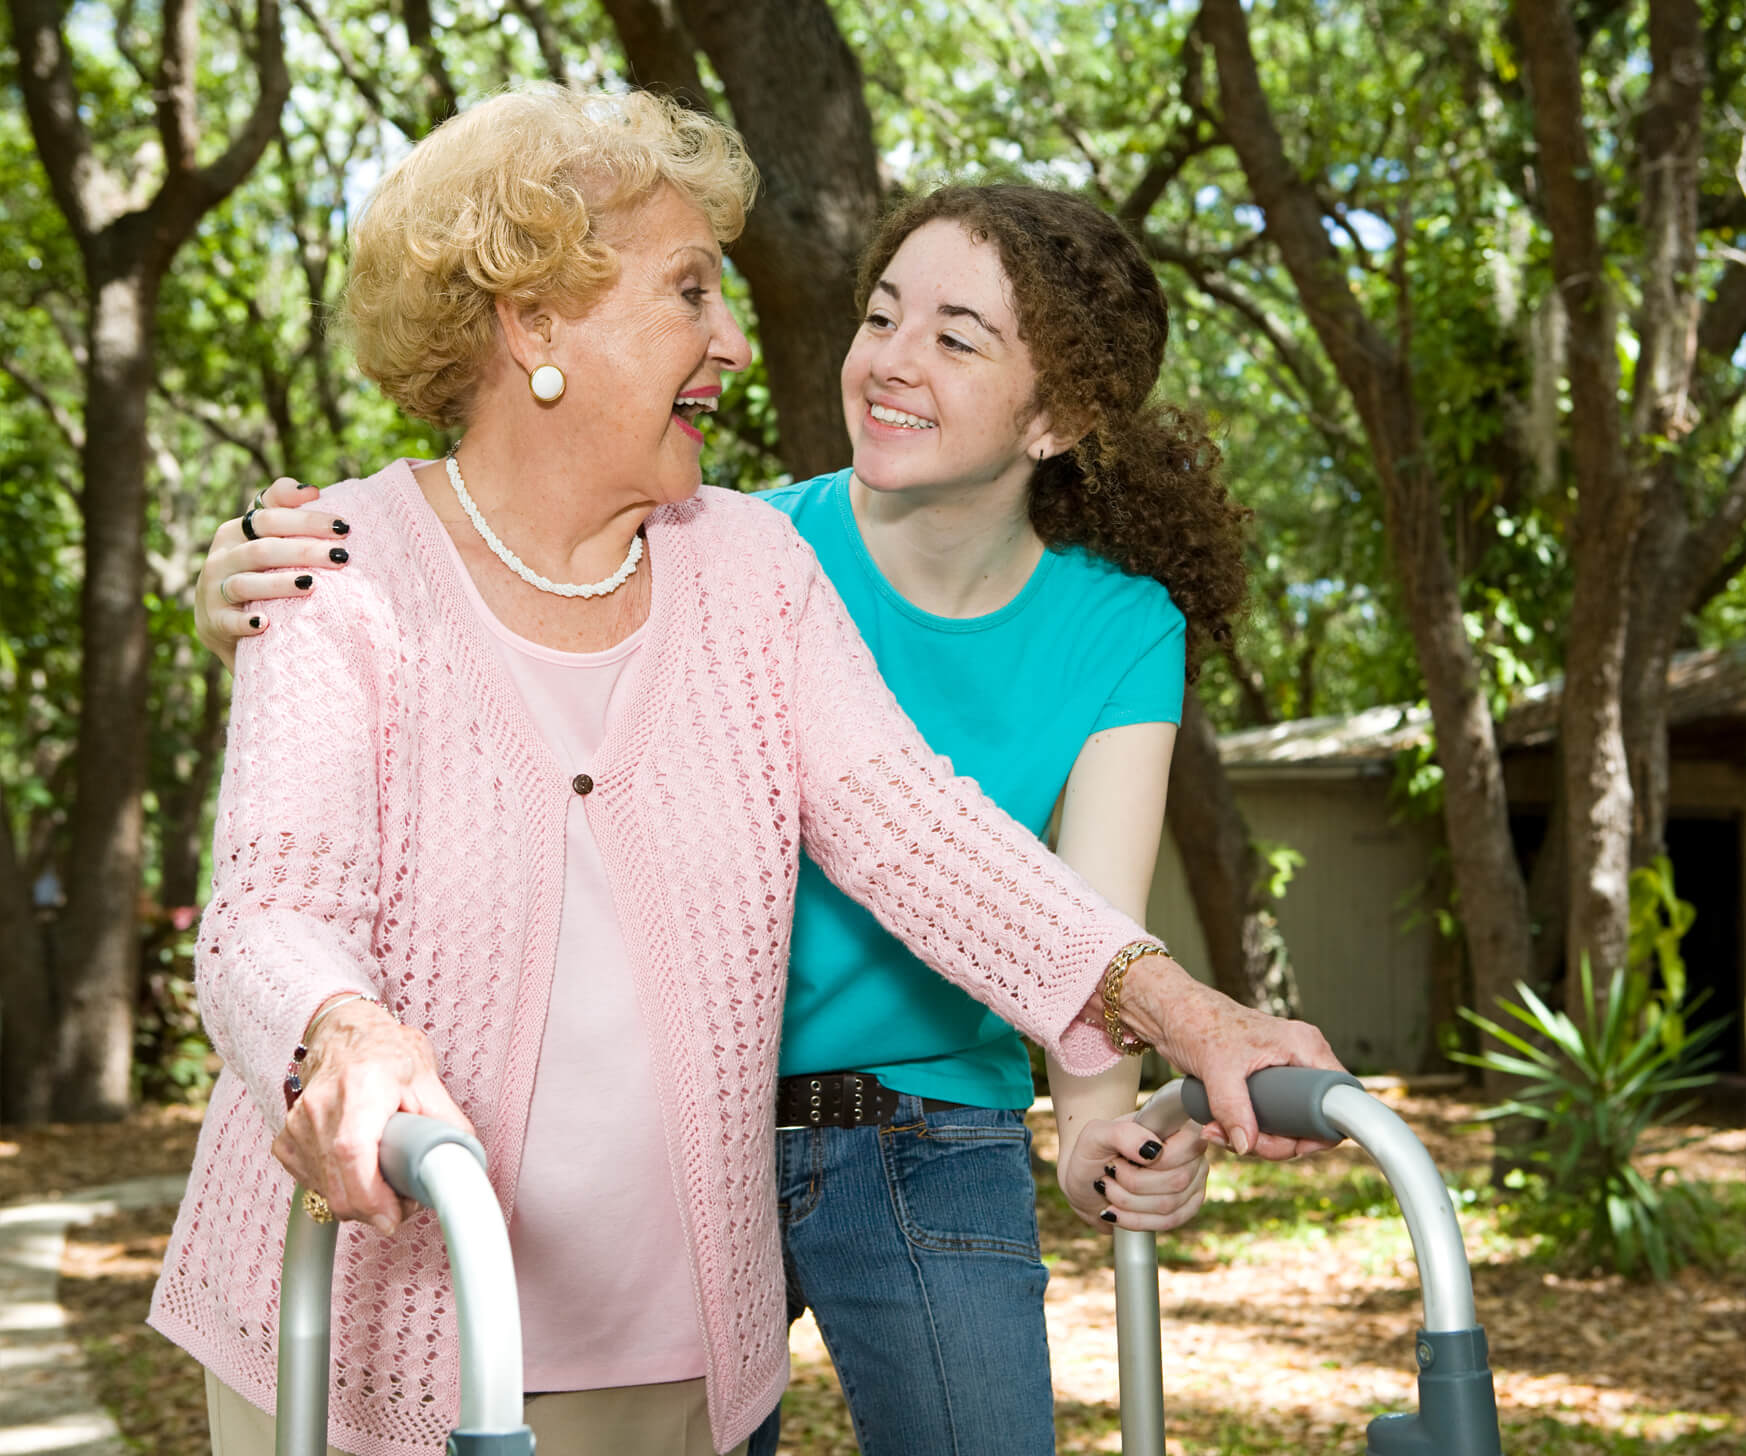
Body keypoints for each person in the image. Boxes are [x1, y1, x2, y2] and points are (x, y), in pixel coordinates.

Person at [170, 86, 1342, 1456]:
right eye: (688, 294)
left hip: (659, 1341)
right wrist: (345, 1032)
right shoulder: (338, 570)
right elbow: (267, 909)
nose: (733, 343)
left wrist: (1185, 1013)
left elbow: (915, 833)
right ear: (533, 321)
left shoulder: (748, 571)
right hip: (360, 1331)